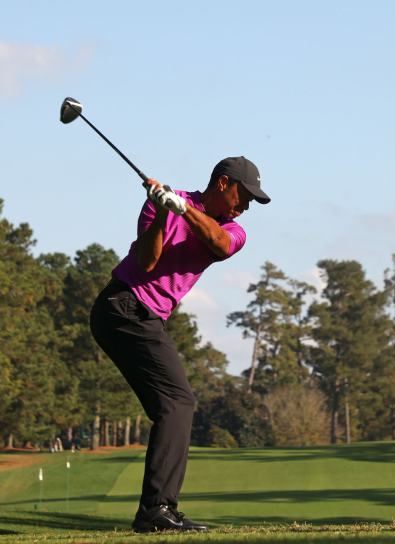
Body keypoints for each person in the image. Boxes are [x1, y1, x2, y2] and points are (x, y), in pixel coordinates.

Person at [90, 157, 269, 533]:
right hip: (123, 305)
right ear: (223, 183)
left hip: (140, 315)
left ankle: (156, 508)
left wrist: (182, 208)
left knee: (172, 404)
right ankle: (156, 508)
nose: (247, 205)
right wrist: (160, 210)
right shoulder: (162, 203)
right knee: (177, 402)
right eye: (245, 195)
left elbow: (219, 245)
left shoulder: (233, 230)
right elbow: (147, 262)